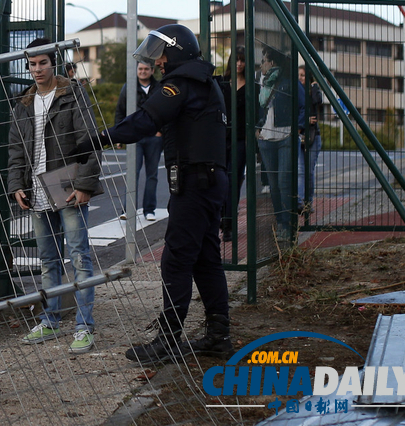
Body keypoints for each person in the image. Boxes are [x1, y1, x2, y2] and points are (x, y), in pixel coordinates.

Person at [75, 24, 233, 365]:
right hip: (208, 179)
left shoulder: (181, 84)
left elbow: (145, 120)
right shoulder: (205, 82)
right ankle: (219, 335)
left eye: (161, 54)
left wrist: (99, 137)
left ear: (175, 52)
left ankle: (167, 341)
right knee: (205, 258)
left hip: (194, 182)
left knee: (175, 260)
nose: (158, 62)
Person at [8, 37, 102, 355]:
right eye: (32, 64)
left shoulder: (73, 94)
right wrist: (17, 185)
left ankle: (84, 325)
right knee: (48, 260)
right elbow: (16, 151)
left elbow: (89, 139)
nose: (37, 70)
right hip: (35, 190)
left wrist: (86, 185)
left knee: (79, 257)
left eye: (43, 63)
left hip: (66, 186)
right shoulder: (22, 104)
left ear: (54, 62)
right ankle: (50, 320)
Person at [257, 47, 305, 242]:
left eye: (264, 60)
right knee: (274, 185)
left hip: (285, 136)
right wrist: (256, 129)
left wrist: (298, 128)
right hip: (265, 139)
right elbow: (255, 106)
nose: (261, 64)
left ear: (272, 63)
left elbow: (303, 105)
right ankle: (280, 222)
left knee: (285, 183)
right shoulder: (260, 81)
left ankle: (288, 225)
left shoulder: (289, 82)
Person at [115, 61, 163, 221]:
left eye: (146, 69)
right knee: (132, 174)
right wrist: (119, 135)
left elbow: (167, 110)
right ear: (136, 70)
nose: (143, 71)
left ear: (152, 70)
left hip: (154, 138)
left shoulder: (159, 87)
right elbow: (120, 110)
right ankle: (128, 209)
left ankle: (150, 210)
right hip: (134, 137)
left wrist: (160, 131)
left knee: (152, 175)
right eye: (140, 69)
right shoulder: (127, 87)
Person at [218, 46, 251, 241]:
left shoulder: (252, 87)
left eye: (243, 60)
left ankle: (229, 224)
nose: (239, 63)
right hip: (220, 139)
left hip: (240, 140)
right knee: (220, 181)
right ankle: (221, 218)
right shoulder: (222, 84)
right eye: (236, 60)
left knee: (234, 181)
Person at [297, 65, 322, 216]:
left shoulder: (312, 92)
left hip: (313, 136)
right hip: (299, 134)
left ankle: (308, 202)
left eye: (303, 75)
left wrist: (315, 86)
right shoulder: (294, 93)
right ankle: (300, 202)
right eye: (299, 75)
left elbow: (318, 101)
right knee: (300, 170)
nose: (300, 78)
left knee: (309, 171)